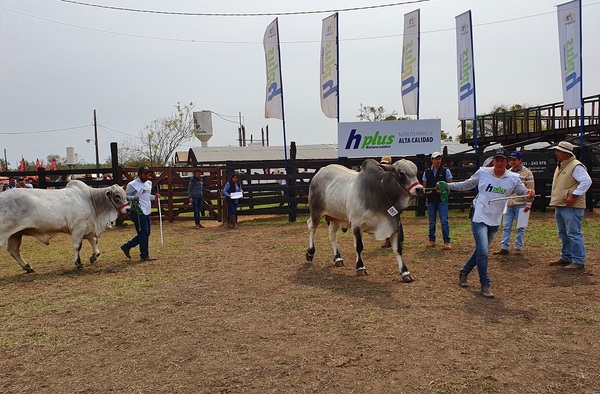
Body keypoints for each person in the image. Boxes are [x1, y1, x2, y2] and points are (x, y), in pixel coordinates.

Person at [438, 148, 535, 298]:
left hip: (495, 219)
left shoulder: (513, 178)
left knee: (480, 251)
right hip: (479, 216)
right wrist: (448, 186)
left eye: (503, 160)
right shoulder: (483, 172)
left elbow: (525, 194)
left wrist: (530, 194)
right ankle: (485, 284)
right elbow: (467, 184)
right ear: (493, 161)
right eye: (497, 160)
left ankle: (464, 271)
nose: (500, 163)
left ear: (507, 161)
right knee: (483, 251)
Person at [548, 141, 592, 270]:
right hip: (562, 204)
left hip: (571, 206)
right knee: (563, 233)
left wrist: (574, 195)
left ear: (566, 153)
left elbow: (586, 181)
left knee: (573, 233)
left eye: (559, 151)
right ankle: (566, 256)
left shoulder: (575, 166)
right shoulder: (563, 165)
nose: (556, 153)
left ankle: (578, 260)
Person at [493, 151, 535, 256]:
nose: (512, 162)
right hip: (509, 203)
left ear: (520, 160)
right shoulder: (508, 172)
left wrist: (529, 204)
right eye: (511, 160)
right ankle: (504, 247)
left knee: (520, 226)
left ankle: (518, 248)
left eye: (514, 160)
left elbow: (530, 189)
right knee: (506, 226)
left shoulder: (527, 173)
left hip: (521, 203)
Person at [121, 166, 161, 261]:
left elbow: (146, 196)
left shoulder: (149, 183)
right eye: (145, 174)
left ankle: (127, 246)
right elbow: (125, 197)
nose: (147, 176)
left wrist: (154, 197)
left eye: (148, 174)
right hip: (137, 211)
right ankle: (144, 255)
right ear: (139, 174)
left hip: (146, 210)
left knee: (146, 233)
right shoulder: (132, 185)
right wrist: (133, 198)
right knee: (144, 233)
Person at [422, 151, 453, 249]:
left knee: (444, 220)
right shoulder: (426, 172)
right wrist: (428, 192)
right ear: (432, 160)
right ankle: (431, 241)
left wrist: (442, 191)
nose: (438, 161)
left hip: (442, 200)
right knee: (432, 221)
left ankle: (447, 242)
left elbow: (449, 186)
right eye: (436, 159)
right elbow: (424, 188)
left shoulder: (446, 171)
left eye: (439, 159)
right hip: (431, 200)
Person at [380, 156, 394, 248]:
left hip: (391, 202)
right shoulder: (379, 175)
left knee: (394, 219)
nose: (384, 166)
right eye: (383, 164)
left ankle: (398, 239)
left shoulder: (393, 176)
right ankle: (388, 239)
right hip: (383, 202)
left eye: (386, 164)